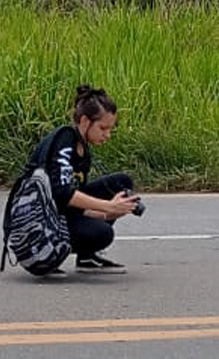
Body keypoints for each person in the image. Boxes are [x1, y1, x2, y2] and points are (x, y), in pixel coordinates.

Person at [35, 85, 140, 275]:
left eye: (110, 129)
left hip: (59, 211)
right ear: (84, 121)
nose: (107, 135)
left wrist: (108, 213)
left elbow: (76, 205)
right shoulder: (64, 139)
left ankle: (87, 257)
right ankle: (43, 254)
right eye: (103, 128)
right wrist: (107, 207)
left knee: (121, 183)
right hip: (38, 220)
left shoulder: (83, 149)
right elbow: (61, 194)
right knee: (102, 234)